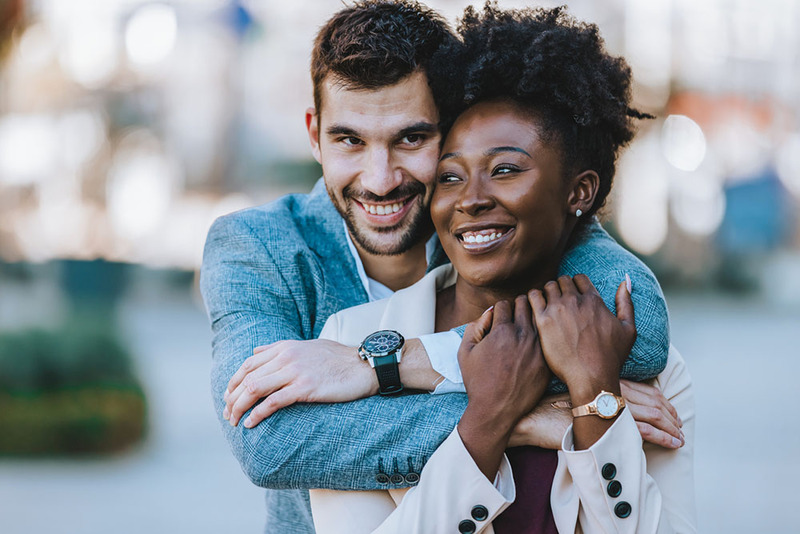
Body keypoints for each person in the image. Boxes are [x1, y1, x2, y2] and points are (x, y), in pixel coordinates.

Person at [200, 2, 680, 532]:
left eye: (411, 138)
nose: (380, 180)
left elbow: (638, 329)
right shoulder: (255, 246)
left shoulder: (483, 224)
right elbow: (270, 441)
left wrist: (385, 365)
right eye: (349, 140)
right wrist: (515, 415)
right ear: (314, 134)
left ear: (450, 131)